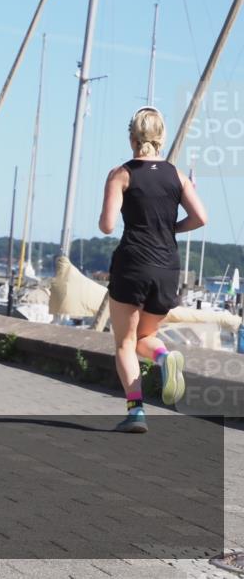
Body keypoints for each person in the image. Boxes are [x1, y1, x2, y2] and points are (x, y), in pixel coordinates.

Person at [98, 106, 206, 433]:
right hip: (167, 266)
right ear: (161, 138)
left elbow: (106, 225)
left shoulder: (122, 173)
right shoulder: (177, 175)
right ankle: (164, 358)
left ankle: (136, 412)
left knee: (124, 343)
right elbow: (201, 217)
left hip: (133, 262)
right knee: (147, 336)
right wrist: (169, 228)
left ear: (133, 138)